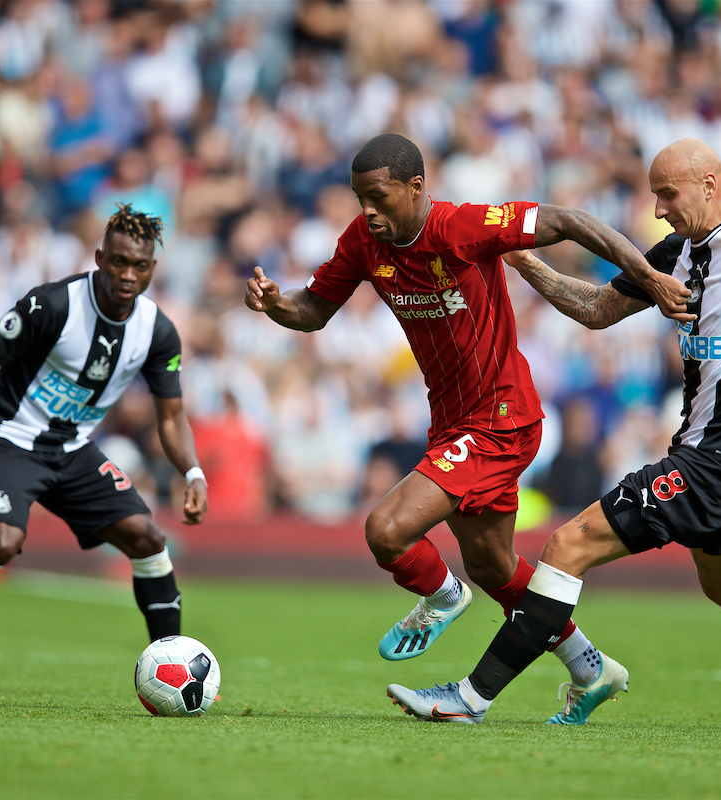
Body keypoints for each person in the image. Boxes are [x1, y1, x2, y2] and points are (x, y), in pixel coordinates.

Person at [387, 138, 721, 731]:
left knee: (568, 546)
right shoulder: (674, 253)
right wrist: (526, 263)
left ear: (709, 185)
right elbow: (594, 309)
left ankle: (473, 697)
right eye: (654, 196)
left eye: (668, 194)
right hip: (709, 454)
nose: (659, 209)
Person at [245, 133, 691, 723]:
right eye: (359, 199)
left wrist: (650, 277)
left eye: (378, 197)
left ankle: (442, 596)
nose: (368, 211)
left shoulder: (463, 228)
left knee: (386, 530)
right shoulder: (361, 242)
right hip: (454, 425)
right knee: (493, 567)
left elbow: (572, 220)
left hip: (501, 419)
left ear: (416, 187)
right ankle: (591, 667)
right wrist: (277, 305)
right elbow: (314, 310)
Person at [0, 204, 208, 691]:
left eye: (139, 266)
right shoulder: (53, 305)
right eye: (118, 261)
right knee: (3, 545)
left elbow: (171, 416)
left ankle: (172, 667)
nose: (127, 274)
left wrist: (194, 474)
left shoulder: (157, 332)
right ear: (99, 257)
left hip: (73, 449)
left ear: (152, 269)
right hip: (9, 438)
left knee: (148, 540)